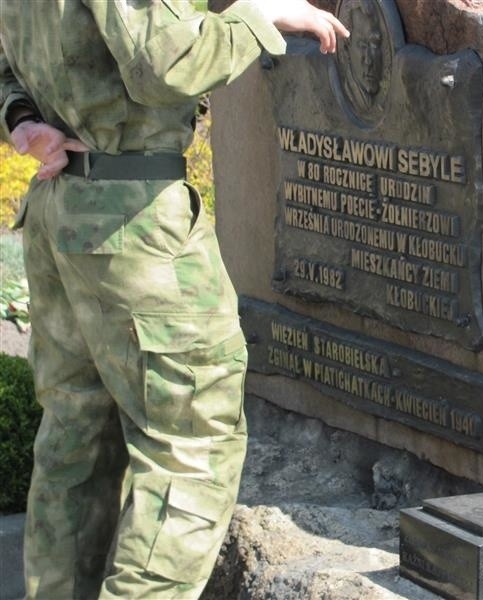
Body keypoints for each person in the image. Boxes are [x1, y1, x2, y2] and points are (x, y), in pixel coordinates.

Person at [0, 1, 348, 598]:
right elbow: (167, 65)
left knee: (74, 444)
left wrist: (22, 120)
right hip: (132, 228)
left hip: (65, 217)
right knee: (191, 447)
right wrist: (259, 15)